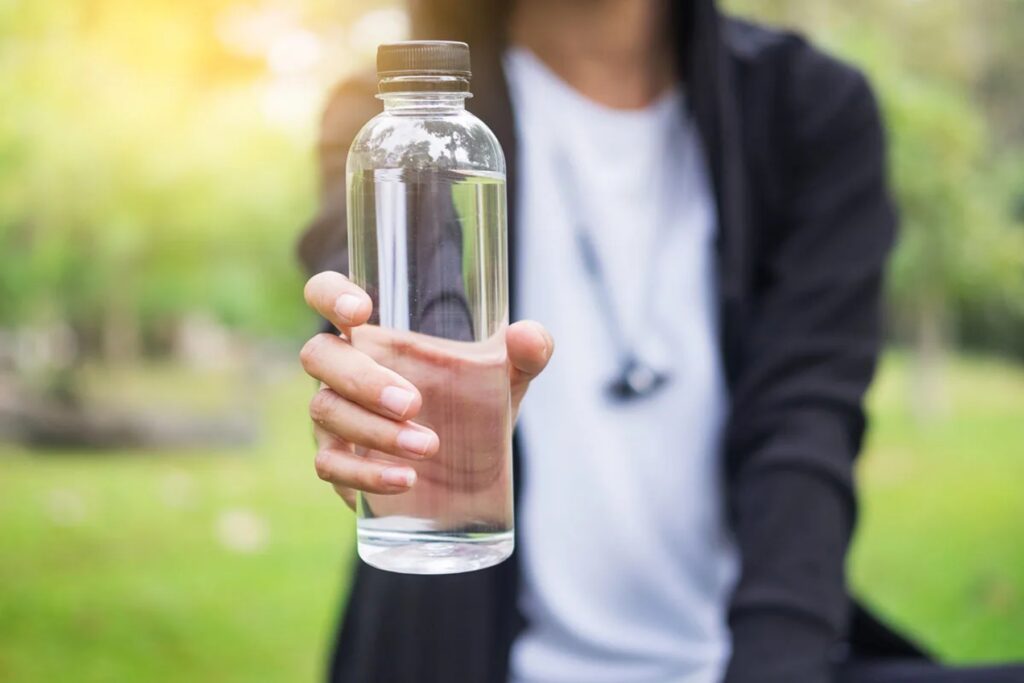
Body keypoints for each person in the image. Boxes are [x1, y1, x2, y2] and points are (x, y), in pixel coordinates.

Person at [297, 1, 1024, 682]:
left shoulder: (809, 109)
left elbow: (805, 427)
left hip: (761, 652)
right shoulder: (399, 122)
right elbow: (388, 311)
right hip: (467, 653)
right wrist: (384, 404)